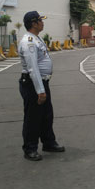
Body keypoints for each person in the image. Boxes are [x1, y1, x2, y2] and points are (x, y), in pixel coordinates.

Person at [18, 11, 64, 161]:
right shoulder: (29, 41)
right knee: (33, 118)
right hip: (32, 84)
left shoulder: (36, 39)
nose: (42, 23)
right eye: (40, 21)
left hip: (42, 82)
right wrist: (40, 91)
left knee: (46, 115)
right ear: (34, 23)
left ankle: (48, 142)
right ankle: (30, 149)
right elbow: (33, 68)